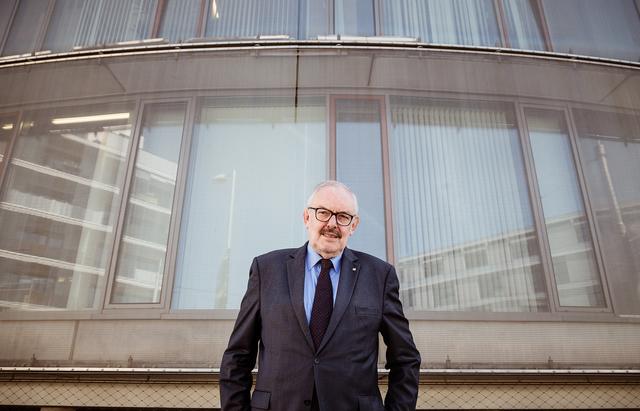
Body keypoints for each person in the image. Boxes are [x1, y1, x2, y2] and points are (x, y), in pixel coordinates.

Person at [220, 180, 420, 411]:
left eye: (343, 216)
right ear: (307, 218)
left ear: (353, 225)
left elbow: (406, 358)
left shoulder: (380, 276)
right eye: (323, 213)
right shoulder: (266, 270)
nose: (332, 224)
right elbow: (237, 356)